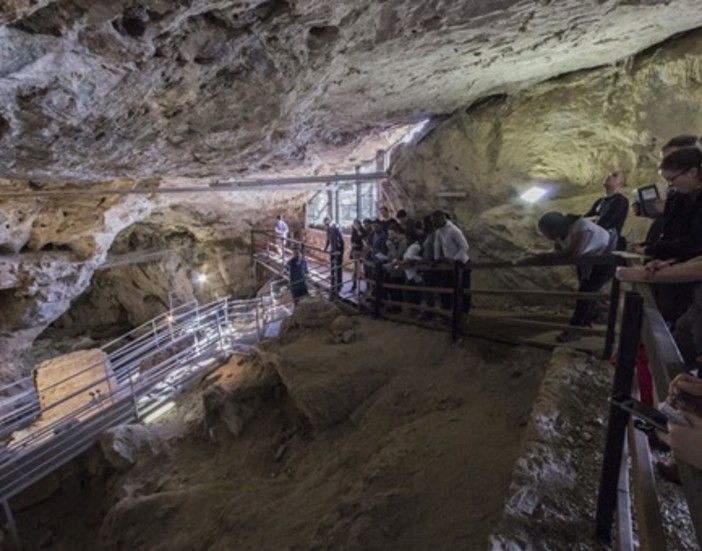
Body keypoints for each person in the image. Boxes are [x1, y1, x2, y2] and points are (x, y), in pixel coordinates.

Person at [518, 212, 616, 341]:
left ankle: (575, 329)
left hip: (606, 256)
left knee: (586, 292)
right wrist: (538, 255)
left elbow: (572, 251)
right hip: (588, 260)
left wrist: (540, 256)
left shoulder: (581, 225)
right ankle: (584, 325)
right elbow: (558, 253)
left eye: (546, 232)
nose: (546, 235)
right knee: (587, 293)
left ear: (555, 227)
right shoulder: (560, 236)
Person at [645, 146, 702, 325]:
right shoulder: (677, 198)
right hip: (676, 268)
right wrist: (667, 260)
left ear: (693, 171)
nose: (671, 185)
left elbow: (697, 242)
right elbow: (671, 234)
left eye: (672, 179)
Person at [432, 210, 471, 314]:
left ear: (442, 219)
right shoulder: (439, 231)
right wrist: (436, 259)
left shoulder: (454, 230)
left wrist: (455, 260)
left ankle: (463, 312)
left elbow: (464, 246)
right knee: (446, 288)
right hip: (448, 264)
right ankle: (447, 311)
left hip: (461, 263)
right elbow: (437, 244)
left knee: (462, 288)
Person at [584, 170, 629, 249]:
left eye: (614, 175)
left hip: (606, 243)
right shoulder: (600, 201)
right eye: (608, 174)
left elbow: (605, 222)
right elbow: (585, 218)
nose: (609, 176)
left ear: (621, 183)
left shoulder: (620, 200)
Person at [323, 216, 345, 300]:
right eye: (325, 223)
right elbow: (328, 239)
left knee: (338, 266)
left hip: (338, 250)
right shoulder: (328, 229)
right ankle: (333, 281)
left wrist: (340, 250)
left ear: (330, 221)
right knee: (332, 265)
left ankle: (339, 282)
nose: (327, 225)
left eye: (327, 223)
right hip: (333, 249)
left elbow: (340, 239)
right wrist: (325, 248)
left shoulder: (336, 227)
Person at [349, 219, 366, 292]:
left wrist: (360, 235)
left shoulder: (363, 231)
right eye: (354, 225)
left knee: (363, 267)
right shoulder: (354, 231)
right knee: (355, 267)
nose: (356, 226)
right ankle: (354, 284)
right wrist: (353, 243)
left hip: (362, 250)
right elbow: (352, 239)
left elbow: (364, 240)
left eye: (357, 224)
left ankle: (364, 286)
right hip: (355, 250)